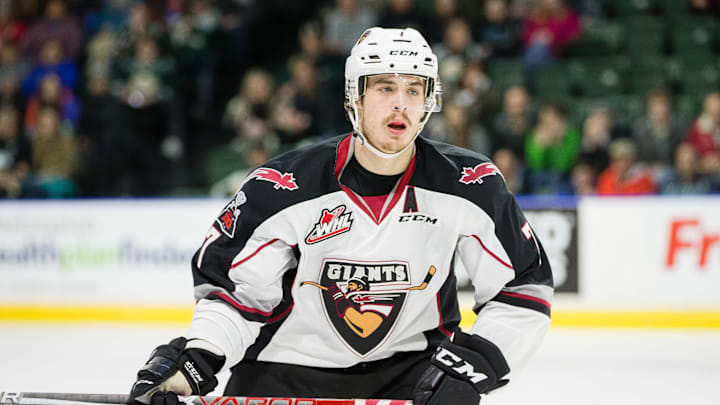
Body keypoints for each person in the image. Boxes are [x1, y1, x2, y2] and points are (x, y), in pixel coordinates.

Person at [128, 27, 553, 405]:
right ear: (356, 96)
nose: (401, 104)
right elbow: (236, 297)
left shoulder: (470, 184)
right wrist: (195, 359)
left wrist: (472, 366)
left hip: (413, 381)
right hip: (282, 376)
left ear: (429, 99)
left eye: (414, 89)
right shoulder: (282, 186)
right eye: (385, 87)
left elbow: (522, 292)